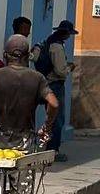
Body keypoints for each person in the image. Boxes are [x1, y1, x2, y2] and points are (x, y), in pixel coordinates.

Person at [0, 35, 59, 152]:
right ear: (27, 56)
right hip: (26, 142)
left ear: (5, 55)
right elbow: (54, 104)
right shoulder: (37, 78)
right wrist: (46, 128)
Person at [32, 19, 77, 161]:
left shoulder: (44, 43)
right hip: (54, 85)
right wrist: (69, 67)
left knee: (45, 115)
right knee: (57, 118)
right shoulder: (57, 47)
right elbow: (60, 71)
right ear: (65, 34)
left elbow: (34, 58)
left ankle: (38, 145)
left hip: (42, 82)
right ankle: (53, 150)